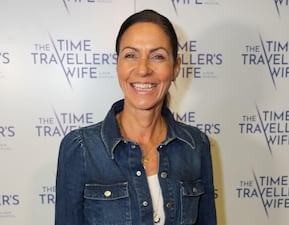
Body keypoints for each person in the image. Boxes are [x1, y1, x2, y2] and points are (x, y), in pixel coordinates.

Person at [55, 9, 216, 225]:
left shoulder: (195, 145)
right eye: (131, 55)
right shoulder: (81, 148)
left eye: (157, 56)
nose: (142, 69)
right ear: (118, 64)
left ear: (176, 67)